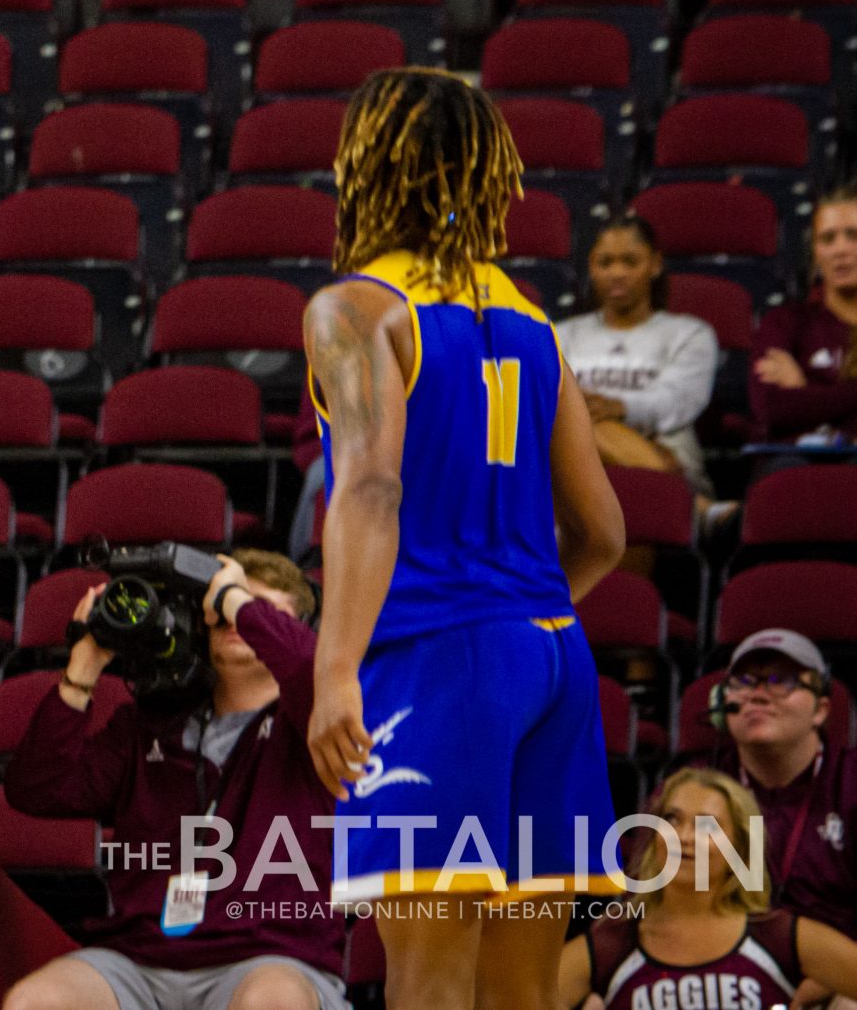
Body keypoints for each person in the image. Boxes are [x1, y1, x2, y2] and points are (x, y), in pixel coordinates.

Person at [303, 68, 628, 1010]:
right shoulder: (531, 318)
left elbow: (370, 488)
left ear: (368, 166)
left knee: (431, 978)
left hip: (439, 661)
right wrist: (516, 615)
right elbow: (603, 531)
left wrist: (335, 669)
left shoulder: (357, 309)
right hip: (554, 656)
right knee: (522, 992)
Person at [4, 552, 348, 1010]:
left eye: (253, 606)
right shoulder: (148, 725)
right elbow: (37, 787)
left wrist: (235, 598)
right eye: (218, 607)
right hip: (141, 960)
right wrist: (83, 667)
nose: (231, 617)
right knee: (35, 1001)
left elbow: (314, 670)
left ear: (302, 627)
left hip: (271, 958)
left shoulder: (319, 723)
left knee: (272, 1002)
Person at [557, 768, 857, 1010]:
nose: (684, 837)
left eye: (707, 827)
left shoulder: (777, 936)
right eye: (672, 819)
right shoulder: (612, 942)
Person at [685, 630, 857, 938]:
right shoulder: (694, 790)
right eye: (743, 682)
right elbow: (651, 908)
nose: (758, 694)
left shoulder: (850, 782)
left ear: (820, 710)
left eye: (782, 681)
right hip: (724, 973)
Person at [558, 215, 719, 497]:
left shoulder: (691, 334)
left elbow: (676, 402)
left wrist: (620, 408)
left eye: (630, 262)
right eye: (605, 262)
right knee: (582, 429)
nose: (617, 273)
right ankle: (696, 509)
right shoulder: (560, 335)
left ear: (655, 264)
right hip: (583, 465)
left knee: (580, 425)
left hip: (669, 453)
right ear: (591, 266)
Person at [752, 187, 857, 448]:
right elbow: (771, 408)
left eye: (853, 235)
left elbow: (793, 406)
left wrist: (804, 389)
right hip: (795, 463)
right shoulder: (783, 323)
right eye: (828, 239)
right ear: (815, 252)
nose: (840, 250)